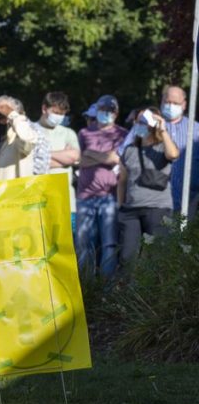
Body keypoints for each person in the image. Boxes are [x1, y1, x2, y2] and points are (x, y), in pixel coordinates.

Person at [117, 106, 178, 269]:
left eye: (144, 121)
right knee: (127, 257)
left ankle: (156, 294)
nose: (140, 125)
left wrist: (163, 130)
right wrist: (119, 205)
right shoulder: (129, 149)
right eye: (138, 121)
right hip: (131, 210)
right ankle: (129, 292)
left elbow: (173, 155)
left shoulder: (161, 147)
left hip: (157, 208)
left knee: (156, 257)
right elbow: (122, 179)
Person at [75, 94, 127, 278]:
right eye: (103, 109)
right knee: (83, 243)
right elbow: (79, 159)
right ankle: (85, 287)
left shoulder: (122, 134)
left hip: (110, 195)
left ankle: (107, 290)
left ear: (116, 113)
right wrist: (104, 157)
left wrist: (91, 154)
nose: (106, 113)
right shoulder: (84, 133)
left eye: (110, 110)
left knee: (109, 244)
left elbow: (117, 159)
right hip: (85, 196)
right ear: (97, 111)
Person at [37, 91, 80, 229]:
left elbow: (74, 157)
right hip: (38, 200)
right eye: (55, 112)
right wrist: (63, 158)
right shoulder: (31, 131)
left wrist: (43, 155)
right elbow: (30, 162)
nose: (59, 117)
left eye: (62, 114)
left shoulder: (68, 133)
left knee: (68, 247)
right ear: (44, 108)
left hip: (66, 202)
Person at [160, 85, 199, 215]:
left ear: (184, 105)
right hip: (156, 203)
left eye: (175, 103)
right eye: (168, 102)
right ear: (162, 101)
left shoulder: (196, 130)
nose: (171, 106)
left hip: (190, 200)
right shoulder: (150, 126)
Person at [0, 95, 47, 180]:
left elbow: (29, 139)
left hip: (16, 191)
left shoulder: (19, 138)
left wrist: (12, 114)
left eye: (1, 116)